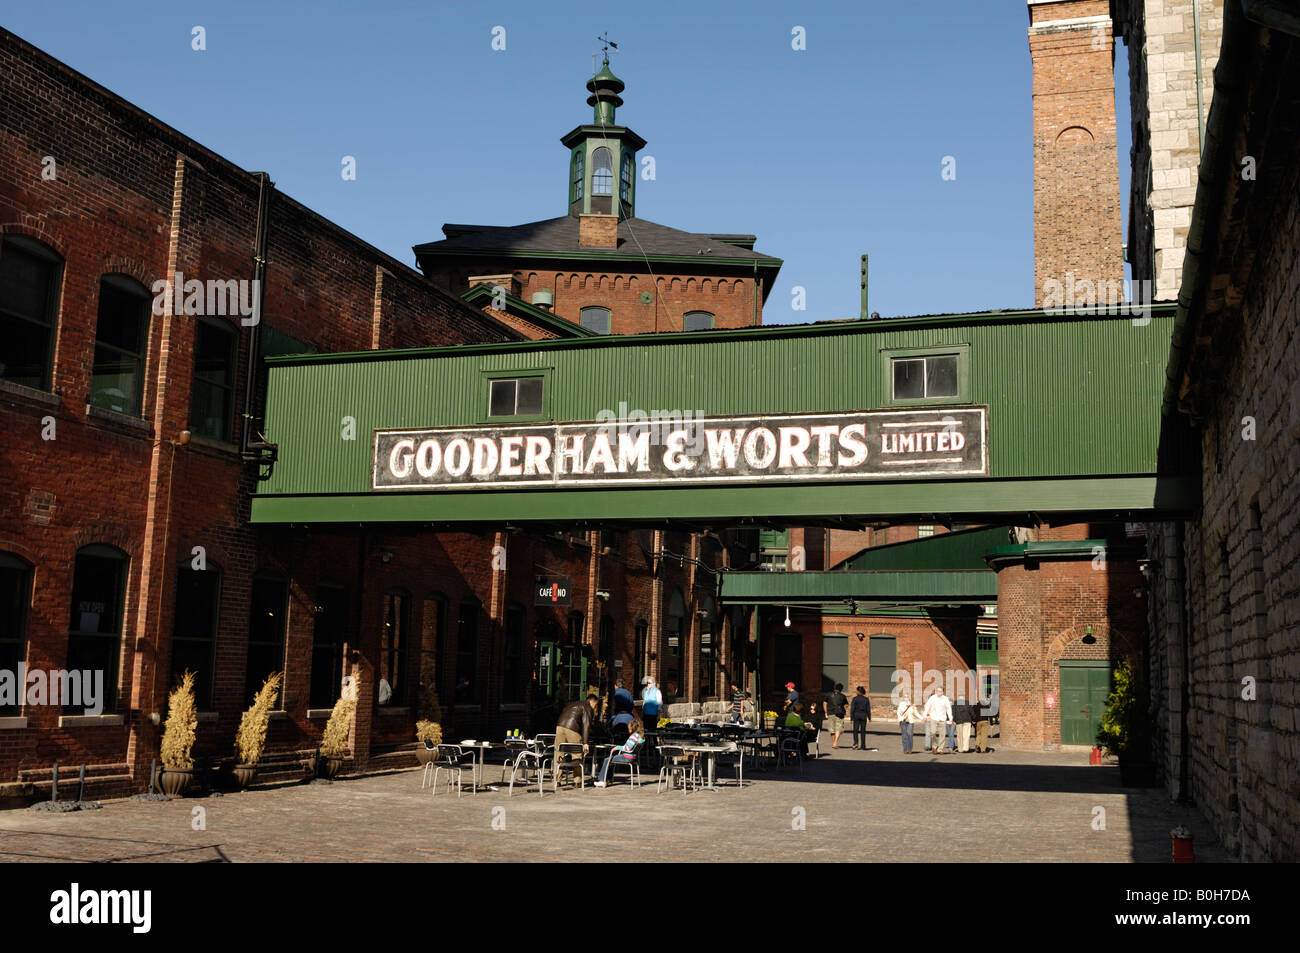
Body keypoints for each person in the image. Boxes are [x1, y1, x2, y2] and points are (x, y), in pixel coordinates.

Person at [554, 693, 598, 785]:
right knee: (576, 753)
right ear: (591, 701)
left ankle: (557, 780)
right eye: (595, 704)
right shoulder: (587, 707)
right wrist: (585, 742)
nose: (595, 707)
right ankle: (577, 781)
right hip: (573, 728)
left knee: (559, 753)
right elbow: (586, 725)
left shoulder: (574, 703)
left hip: (559, 726)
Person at [593, 720, 644, 787]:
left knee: (606, 760)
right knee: (612, 759)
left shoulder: (633, 736)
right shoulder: (640, 737)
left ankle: (602, 780)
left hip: (626, 757)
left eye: (629, 727)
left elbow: (627, 748)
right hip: (633, 757)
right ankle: (609, 779)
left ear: (632, 728)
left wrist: (617, 747)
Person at [922, 688, 953, 754]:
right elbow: (927, 706)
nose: (939, 692)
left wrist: (950, 718)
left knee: (942, 735)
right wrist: (924, 715)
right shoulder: (932, 698)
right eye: (938, 691)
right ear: (936, 691)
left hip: (942, 718)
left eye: (941, 691)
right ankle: (934, 746)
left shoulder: (945, 699)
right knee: (932, 732)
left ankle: (940, 749)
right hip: (934, 718)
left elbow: (948, 709)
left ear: (943, 692)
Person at [826, 682, 849, 749]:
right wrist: (844, 708)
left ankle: (834, 743)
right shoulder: (843, 696)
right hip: (840, 713)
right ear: (841, 689)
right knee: (838, 728)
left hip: (830, 713)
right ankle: (835, 743)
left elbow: (824, 703)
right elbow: (846, 705)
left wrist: (825, 712)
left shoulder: (829, 695)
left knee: (832, 729)